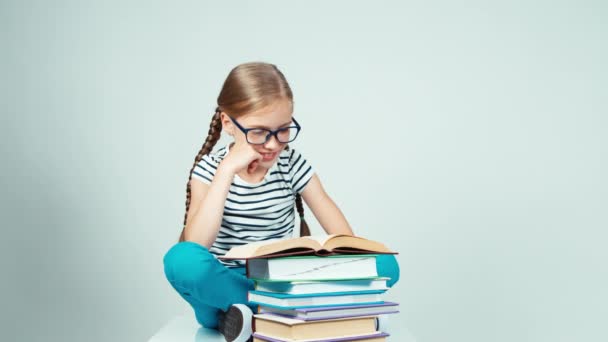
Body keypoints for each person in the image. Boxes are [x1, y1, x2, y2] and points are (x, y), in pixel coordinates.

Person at [163, 62, 400, 342]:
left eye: (283, 130)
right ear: (228, 124)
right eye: (259, 132)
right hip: (223, 284)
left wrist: (343, 262)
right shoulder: (209, 170)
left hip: (280, 281)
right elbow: (197, 243)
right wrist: (226, 171)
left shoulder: (291, 164)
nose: (274, 144)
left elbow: (345, 237)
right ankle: (285, 315)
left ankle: (255, 317)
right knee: (182, 260)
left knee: (385, 266)